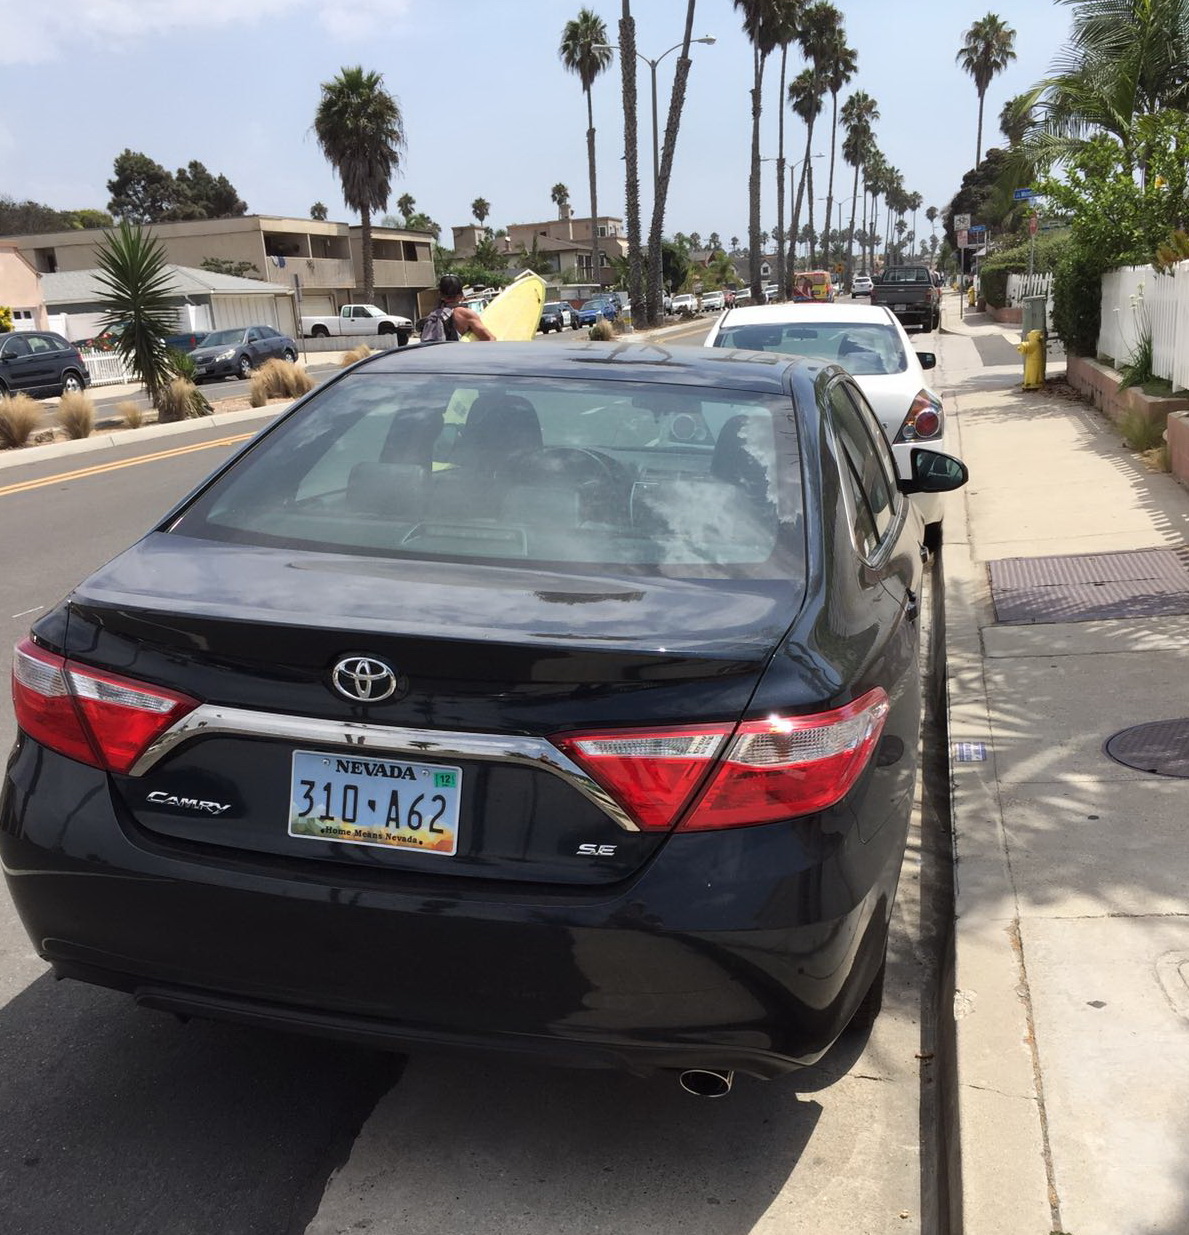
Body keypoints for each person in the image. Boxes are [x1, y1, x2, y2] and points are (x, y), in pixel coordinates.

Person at [420, 274, 495, 342]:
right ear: (461, 295)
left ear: (440, 295)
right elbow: (489, 339)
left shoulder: (434, 315)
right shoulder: (465, 314)